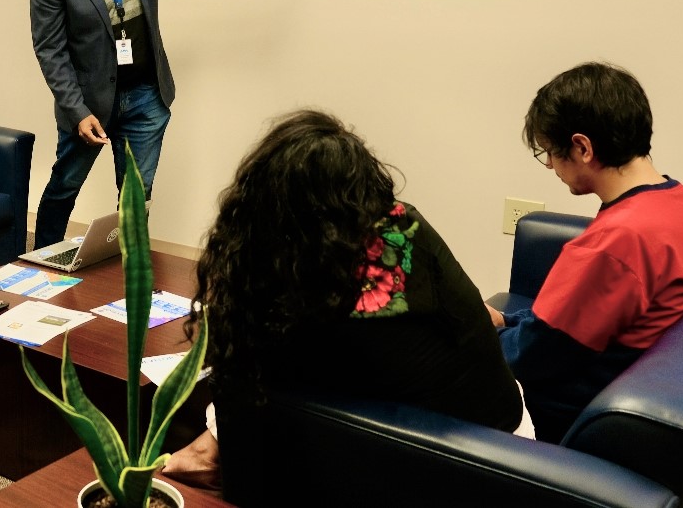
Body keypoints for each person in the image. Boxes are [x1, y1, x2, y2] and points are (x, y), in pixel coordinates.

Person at [165, 109, 522, 489]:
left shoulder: (333, 302)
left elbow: (253, 380)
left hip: (451, 459)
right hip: (502, 418)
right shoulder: (404, 224)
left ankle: (202, 458)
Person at [29, 0, 284, 248]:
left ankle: (127, 270)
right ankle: (40, 261)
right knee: (64, 188)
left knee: (135, 193)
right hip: (89, 107)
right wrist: (77, 110)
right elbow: (51, 52)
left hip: (146, 97)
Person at [489, 62, 683, 442]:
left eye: (550, 151)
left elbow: (535, 357)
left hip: (572, 427)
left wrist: (478, 332)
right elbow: (578, 323)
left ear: (582, 147)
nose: (549, 164)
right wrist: (508, 320)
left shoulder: (614, 244)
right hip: (632, 378)